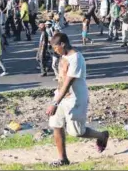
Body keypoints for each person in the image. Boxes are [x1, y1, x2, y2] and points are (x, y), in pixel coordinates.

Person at [46, 33, 109, 167]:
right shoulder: (64, 55)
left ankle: (102, 136)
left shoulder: (76, 58)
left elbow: (68, 82)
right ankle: (63, 159)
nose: (55, 51)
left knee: (76, 132)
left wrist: (54, 103)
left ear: (62, 44)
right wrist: (56, 99)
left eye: (55, 47)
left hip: (75, 99)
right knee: (56, 125)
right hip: (61, 96)